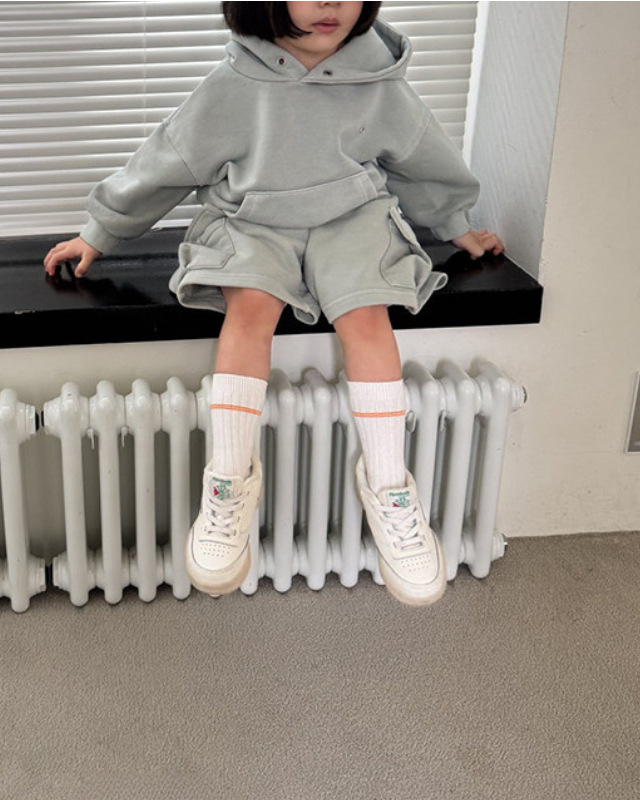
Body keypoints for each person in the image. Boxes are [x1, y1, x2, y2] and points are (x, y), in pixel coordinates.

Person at [43, 1, 504, 606]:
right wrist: (100, 232)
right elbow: (168, 161)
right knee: (251, 307)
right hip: (254, 220)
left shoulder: (380, 80)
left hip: (352, 220)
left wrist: (459, 229)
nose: (330, 4)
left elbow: (424, 161)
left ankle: (391, 489)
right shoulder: (235, 81)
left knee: (366, 316)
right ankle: (228, 482)